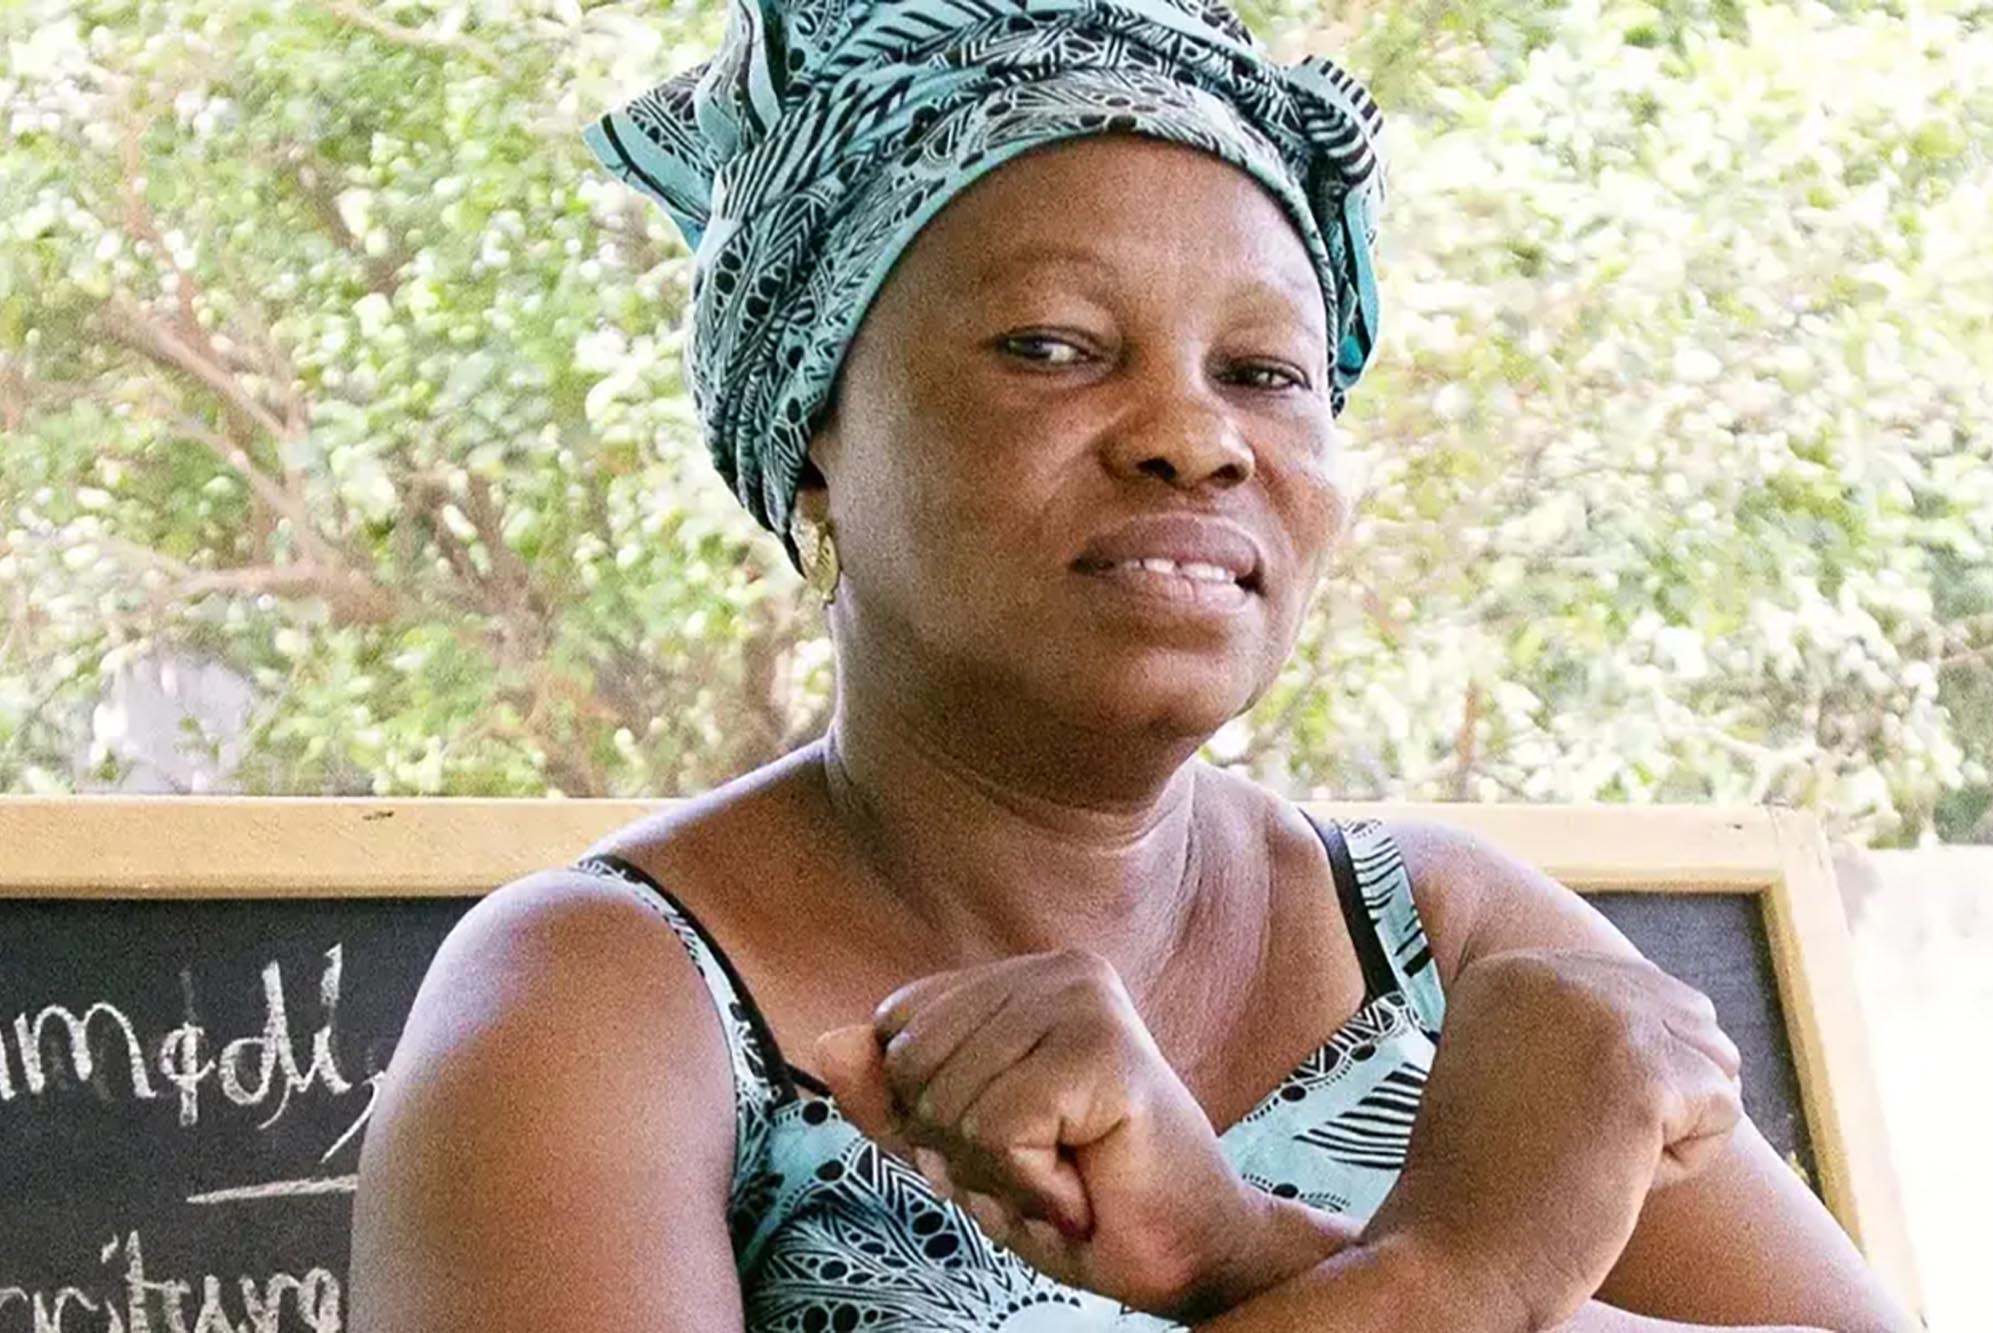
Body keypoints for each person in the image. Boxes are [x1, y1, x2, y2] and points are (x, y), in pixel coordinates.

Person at [349, 2, 1908, 1330]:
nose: (1192, 435)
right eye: (1050, 345)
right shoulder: (600, 996)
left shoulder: (1445, 936)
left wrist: (1247, 1250)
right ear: (815, 440)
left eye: (1264, 371)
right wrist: (1455, 1270)